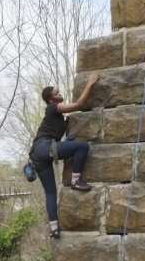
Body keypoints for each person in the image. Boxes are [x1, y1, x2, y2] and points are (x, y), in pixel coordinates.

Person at [30, 73, 101, 239]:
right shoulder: (54, 107)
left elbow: (53, 133)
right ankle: (76, 180)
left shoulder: (57, 116)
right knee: (82, 147)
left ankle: (54, 228)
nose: (59, 94)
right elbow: (79, 104)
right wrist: (90, 84)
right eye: (56, 93)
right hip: (44, 147)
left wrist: (65, 139)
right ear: (50, 100)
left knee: (51, 193)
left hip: (37, 154)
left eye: (58, 92)